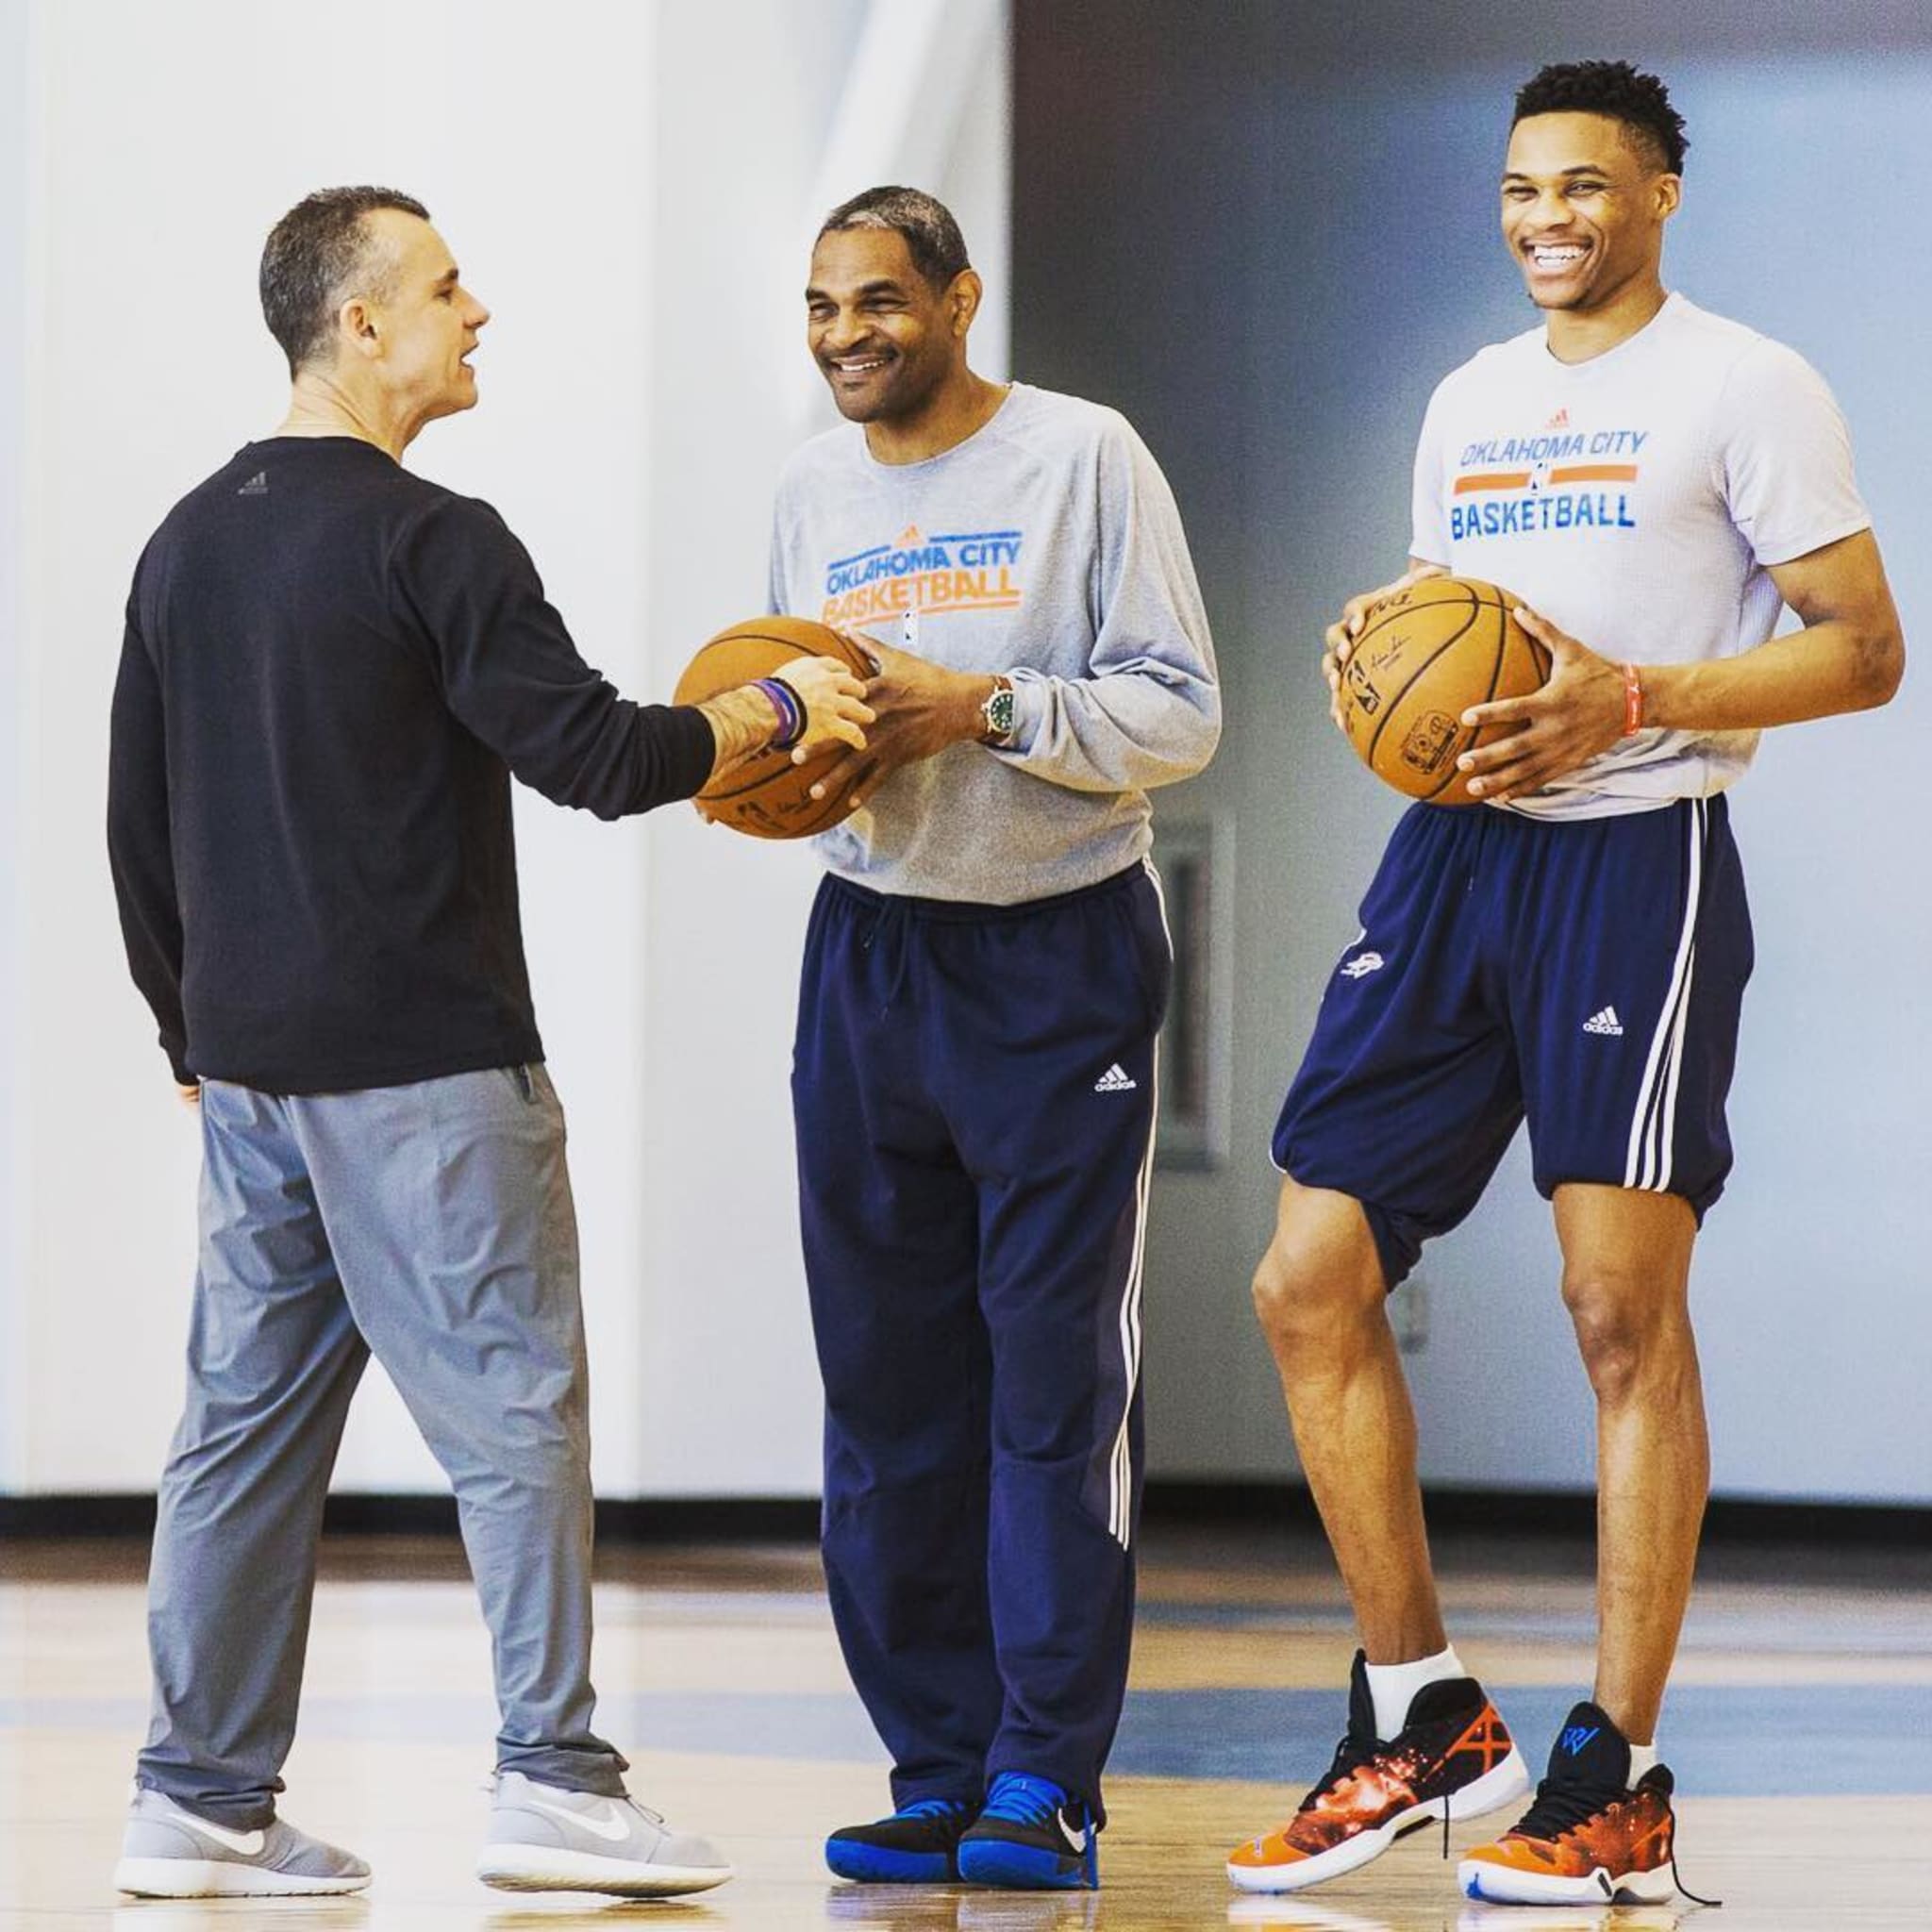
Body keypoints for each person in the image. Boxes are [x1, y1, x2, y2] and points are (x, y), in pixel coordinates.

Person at [105, 185, 871, 1902]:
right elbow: (596, 755)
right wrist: (774, 710)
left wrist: (188, 1031)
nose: (480, 312)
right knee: (518, 1418)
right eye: (446, 290)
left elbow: (133, 825)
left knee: (238, 1438)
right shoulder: (434, 537)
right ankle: (554, 1779)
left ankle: (198, 1799)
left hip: (250, 1077)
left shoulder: (185, 540)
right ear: (357, 324)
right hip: (429, 1067)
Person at [1227, 61, 1904, 1907]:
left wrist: (1633, 697)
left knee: (1617, 1304)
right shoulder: (1466, 402)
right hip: (1454, 859)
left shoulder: (1745, 385)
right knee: (1307, 1276)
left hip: (1638, 860)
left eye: (1587, 186)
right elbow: (1461, 629)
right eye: (1523, 188)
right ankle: (1416, 1714)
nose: (1548, 219)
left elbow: (1862, 653)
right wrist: (1384, 657)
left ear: (1661, 193)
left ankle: (1618, 1769)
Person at [764, 186, 1219, 1890]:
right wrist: (787, 760)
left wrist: (990, 708)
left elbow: (1183, 708)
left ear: (960, 303)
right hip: (867, 961)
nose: (842, 336)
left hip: (1059, 964)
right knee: (885, 1394)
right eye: (818, 307)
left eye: (876, 301)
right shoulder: (808, 493)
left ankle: (1046, 1776)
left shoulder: (1084, 457)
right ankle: (937, 1762)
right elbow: (789, 710)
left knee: (1050, 1389)